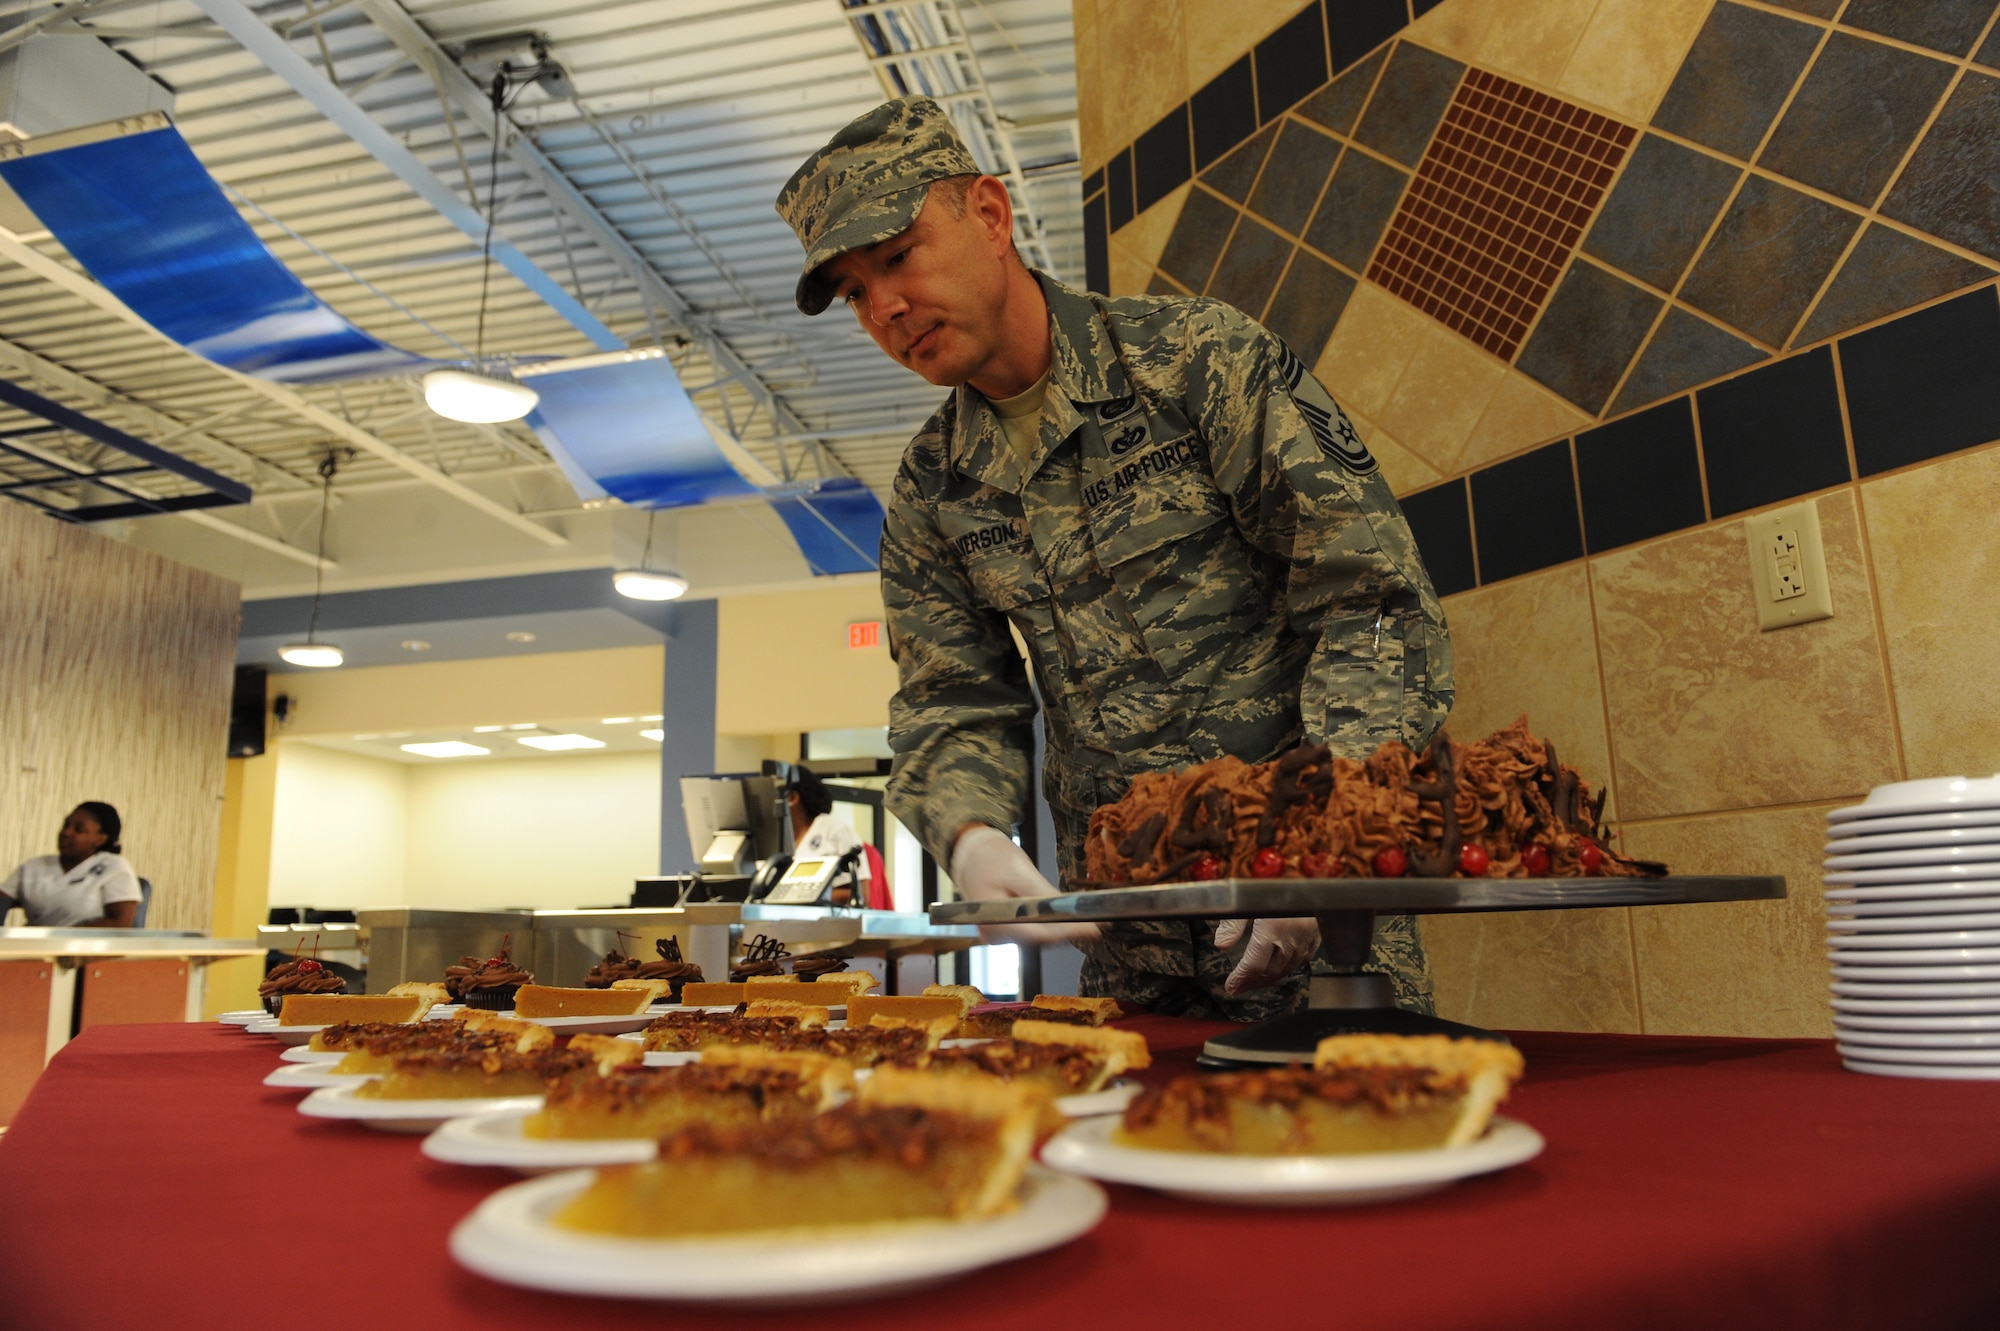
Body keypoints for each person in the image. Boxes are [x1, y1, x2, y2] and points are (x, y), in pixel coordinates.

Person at [775, 98, 1452, 1021]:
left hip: (1314, 929)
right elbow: (951, 699)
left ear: (989, 214)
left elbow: (1370, 604)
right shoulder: (935, 486)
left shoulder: (1196, 365)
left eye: (897, 256)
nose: (885, 306)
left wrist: (1326, 829)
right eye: (855, 293)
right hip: (1127, 958)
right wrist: (969, 832)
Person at [1, 802, 142, 928]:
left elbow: (119, 923)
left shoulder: (114, 866)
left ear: (100, 839)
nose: (66, 832)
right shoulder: (34, 866)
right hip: (33, 949)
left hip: (87, 951)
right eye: (66, 825)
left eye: (78, 829)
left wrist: (58, 939)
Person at [786, 765, 891, 910]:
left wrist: (802, 897)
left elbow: (862, 895)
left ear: (793, 797)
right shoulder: (780, 838)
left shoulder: (833, 830)